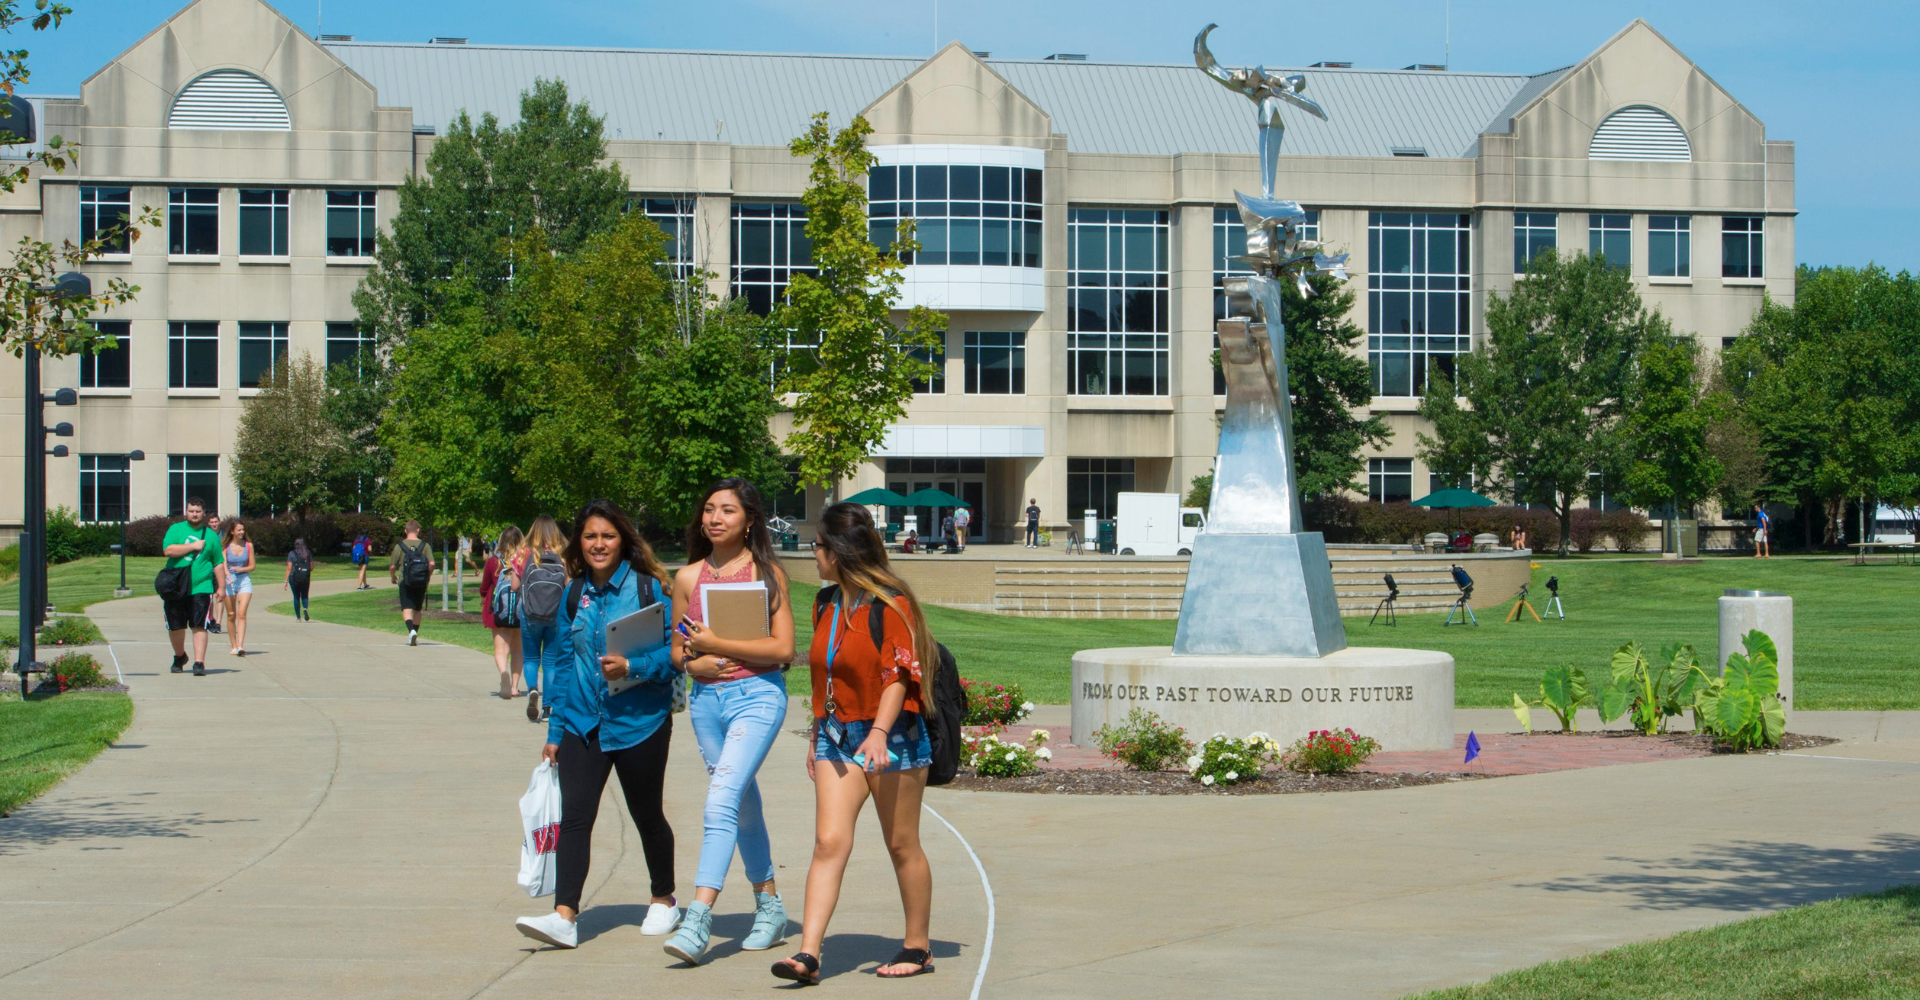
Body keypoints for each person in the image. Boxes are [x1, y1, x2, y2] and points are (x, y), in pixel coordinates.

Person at [772, 502, 940, 984]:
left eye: (816, 546)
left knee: (901, 842)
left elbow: (899, 675)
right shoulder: (826, 602)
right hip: (836, 736)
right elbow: (825, 675)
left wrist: (879, 733)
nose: (813, 555)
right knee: (828, 842)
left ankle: (918, 946)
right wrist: (816, 732)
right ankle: (807, 954)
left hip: (893, 735)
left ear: (838, 551)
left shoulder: (891, 603)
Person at [514, 499, 681, 951]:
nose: (599, 544)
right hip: (583, 724)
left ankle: (663, 897)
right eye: (590, 536)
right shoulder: (574, 593)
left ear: (623, 539)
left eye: (607, 536)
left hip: (640, 723)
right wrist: (554, 733)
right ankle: (565, 915)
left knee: (646, 814)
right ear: (579, 542)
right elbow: (564, 665)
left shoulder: (649, 590)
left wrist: (633, 666)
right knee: (574, 819)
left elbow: (676, 656)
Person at [663, 478, 797, 965]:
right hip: (706, 704)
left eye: (728, 511)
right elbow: (678, 647)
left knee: (719, 800)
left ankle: (698, 919)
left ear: (750, 521)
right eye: (709, 510)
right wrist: (689, 663)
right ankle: (770, 907)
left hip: (757, 698)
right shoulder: (686, 577)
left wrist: (716, 645)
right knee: (739, 804)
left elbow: (783, 650)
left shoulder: (768, 574)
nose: (715, 518)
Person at [161, 497, 222, 677]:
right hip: (176, 586)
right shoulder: (175, 529)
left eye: (197, 511)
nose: (194, 514)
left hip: (201, 586)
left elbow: (218, 562)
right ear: (186, 512)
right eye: (191, 511)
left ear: (204, 513)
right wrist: (193, 546)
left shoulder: (211, 535)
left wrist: (222, 587)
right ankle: (180, 656)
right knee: (176, 626)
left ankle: (199, 663)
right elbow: (168, 550)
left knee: (199, 625)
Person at [518, 515, 570, 722]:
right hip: (556, 614)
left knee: (531, 658)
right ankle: (548, 708)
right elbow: (570, 583)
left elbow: (514, 586)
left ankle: (532, 689)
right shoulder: (564, 554)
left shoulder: (523, 554)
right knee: (551, 663)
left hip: (530, 614)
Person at [481, 526, 525, 701]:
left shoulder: (494, 561)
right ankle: (514, 686)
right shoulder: (524, 560)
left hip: (498, 611)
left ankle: (504, 673)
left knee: (501, 649)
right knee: (518, 649)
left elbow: (484, 587)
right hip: (521, 612)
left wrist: (483, 598)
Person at [389, 520, 434, 646]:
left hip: (405, 580)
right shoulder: (425, 545)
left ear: (405, 530)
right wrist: (428, 577)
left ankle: (411, 631)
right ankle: (415, 632)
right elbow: (432, 564)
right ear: (418, 530)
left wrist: (393, 577)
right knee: (417, 609)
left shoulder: (400, 546)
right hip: (421, 581)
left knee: (407, 608)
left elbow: (392, 566)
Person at [222, 519, 256, 656]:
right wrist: (228, 575)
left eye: (243, 530)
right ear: (232, 531)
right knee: (231, 615)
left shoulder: (248, 546)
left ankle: (241, 646)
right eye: (239, 530)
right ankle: (234, 645)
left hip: (244, 580)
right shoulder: (225, 546)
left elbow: (252, 566)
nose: (242, 532)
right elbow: (223, 565)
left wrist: (240, 569)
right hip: (229, 581)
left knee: (241, 614)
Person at [204, 513, 226, 634]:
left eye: (215, 521)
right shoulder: (205, 534)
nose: (214, 524)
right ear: (208, 523)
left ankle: (218, 623)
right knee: (209, 597)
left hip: (220, 569)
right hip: (208, 569)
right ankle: (211, 619)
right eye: (211, 522)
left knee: (220, 596)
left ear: (219, 522)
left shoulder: (224, 536)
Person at [283, 537, 314, 622]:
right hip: (305, 578)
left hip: (294, 577)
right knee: (305, 595)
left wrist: (285, 580)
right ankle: (305, 608)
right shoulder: (308, 553)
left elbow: (289, 568)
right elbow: (311, 567)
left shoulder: (292, 553)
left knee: (296, 596)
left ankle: (298, 617)